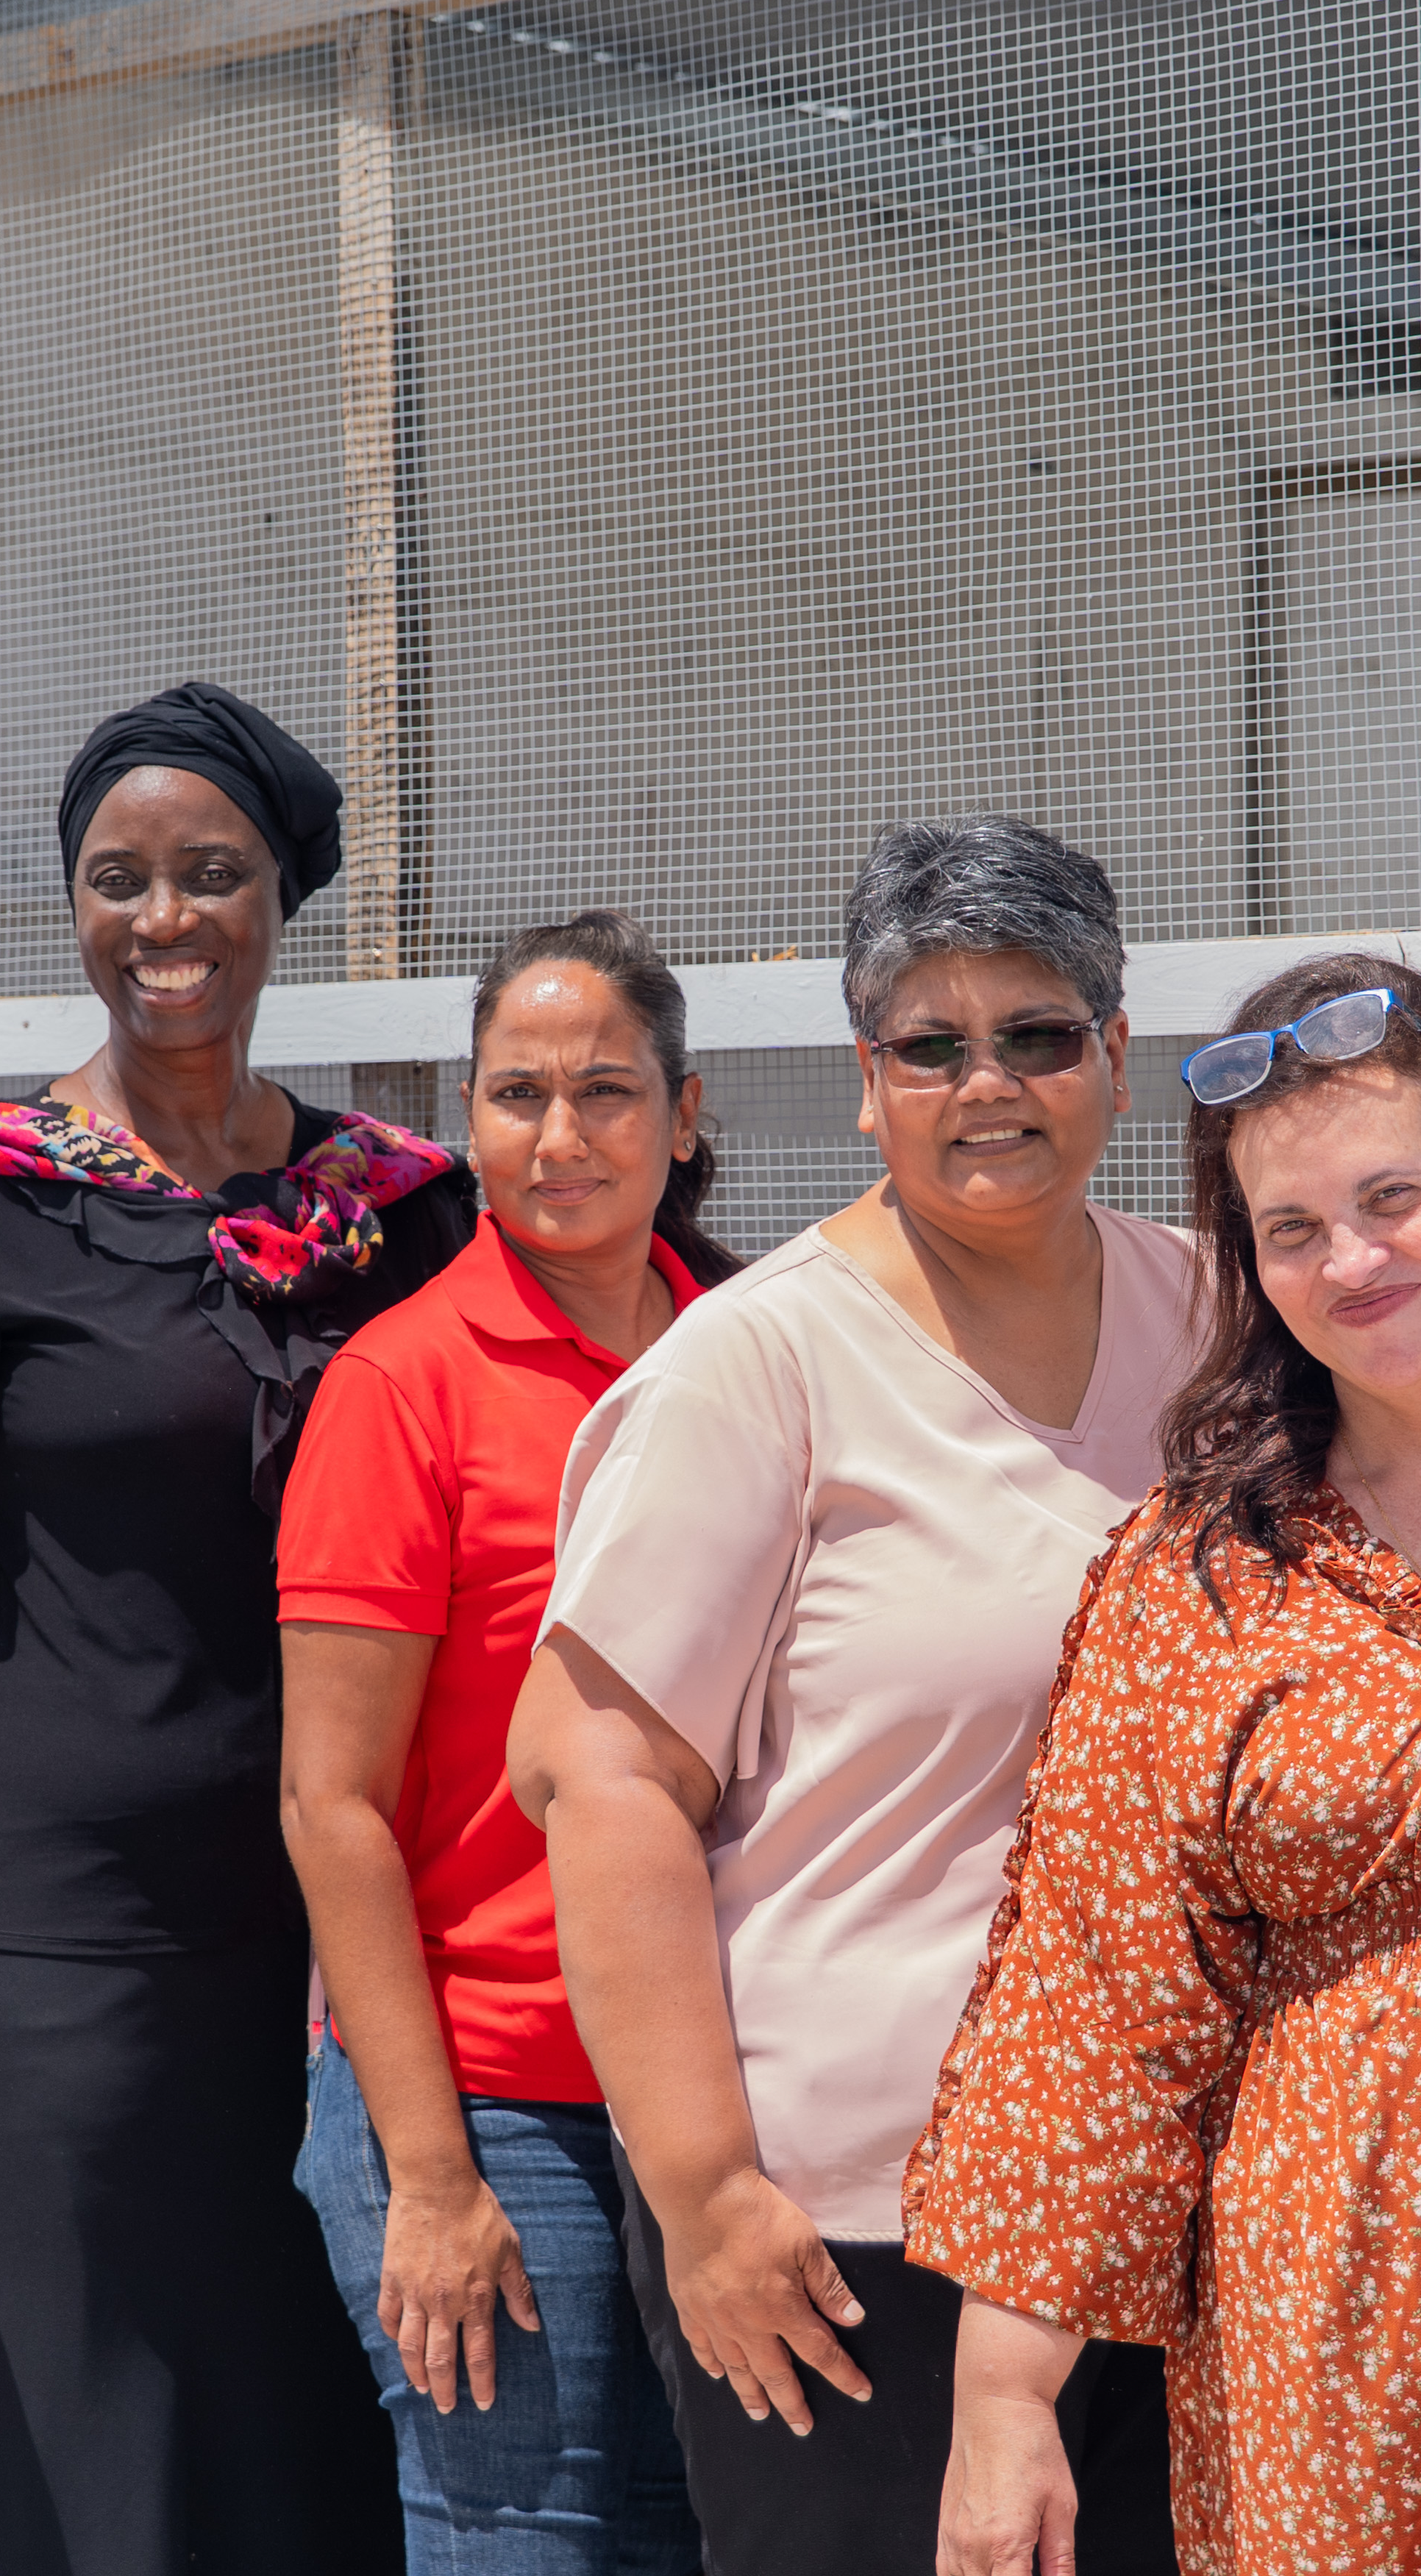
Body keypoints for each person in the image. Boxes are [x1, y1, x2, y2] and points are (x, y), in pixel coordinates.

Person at [0, 682, 475, 2576]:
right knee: (71, 2418)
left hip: (340, 1929)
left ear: (280, 897)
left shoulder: (399, 1208)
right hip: (56, 1932)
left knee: (307, 2406)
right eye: (118, 877)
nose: (166, 919)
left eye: (212, 873)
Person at [510, 818, 1200, 2576]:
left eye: (1039, 1033)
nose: (992, 1082)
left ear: (1116, 1054)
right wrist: (706, 2195)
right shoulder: (759, 1363)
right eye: (934, 1043)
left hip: (1166, 2193)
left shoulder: (1210, 1316)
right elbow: (597, 1780)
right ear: (867, 1079)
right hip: (856, 2235)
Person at [908, 950, 1421, 2575]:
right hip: (1331, 2306)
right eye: (1291, 1230)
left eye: (1396, 1195)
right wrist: (1004, 2403)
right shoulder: (1201, 1570)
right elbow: (1092, 1999)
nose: (1353, 1261)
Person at [279, 911, 735, 2575]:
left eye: (608, 1090)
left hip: (718, 2092)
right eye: (517, 1093)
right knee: (523, 2545)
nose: (561, 1138)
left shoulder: (752, 1350)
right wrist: (427, 2169)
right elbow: (332, 1801)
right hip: (493, 2100)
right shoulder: (404, 1382)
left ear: (685, 1114)